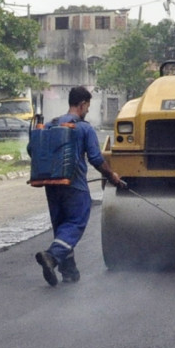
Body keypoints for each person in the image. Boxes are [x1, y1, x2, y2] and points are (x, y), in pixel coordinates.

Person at [32, 86, 124, 286]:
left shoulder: (49, 125)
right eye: (88, 106)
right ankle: (52, 256)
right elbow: (95, 158)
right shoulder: (84, 128)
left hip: (51, 183)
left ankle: (69, 270)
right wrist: (112, 175)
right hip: (75, 186)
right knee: (75, 222)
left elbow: (33, 149)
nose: (88, 111)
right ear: (82, 104)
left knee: (62, 226)